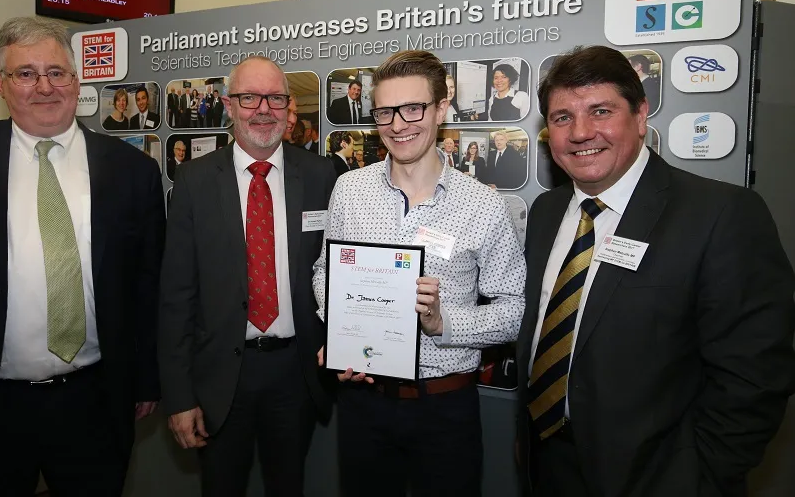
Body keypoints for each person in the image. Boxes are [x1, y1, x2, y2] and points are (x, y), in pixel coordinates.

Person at [0, 17, 165, 494]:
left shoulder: (133, 171)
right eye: (25, 73)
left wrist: (146, 381)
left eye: (56, 72)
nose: (44, 86)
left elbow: (147, 286)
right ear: (3, 84)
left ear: (77, 82)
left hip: (93, 403)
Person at [517, 45, 795, 497]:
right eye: (562, 117)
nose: (581, 132)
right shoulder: (548, 212)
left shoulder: (720, 215)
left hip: (660, 477)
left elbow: (757, 377)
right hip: (548, 465)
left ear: (641, 114)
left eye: (600, 110)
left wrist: (699, 477)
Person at [313, 50, 525, 497]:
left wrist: (442, 322)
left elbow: (513, 309)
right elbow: (324, 271)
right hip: (363, 403)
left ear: (441, 108)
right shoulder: (350, 190)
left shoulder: (482, 205)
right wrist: (343, 334)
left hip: (444, 407)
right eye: (385, 111)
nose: (398, 124)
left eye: (413, 108)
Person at [158, 55, 337, 497]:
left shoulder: (321, 176)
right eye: (250, 97)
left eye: (275, 98)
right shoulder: (194, 181)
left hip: (296, 374)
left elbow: (338, 269)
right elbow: (176, 296)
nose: (263, 109)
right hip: (220, 378)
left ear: (288, 107)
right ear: (228, 104)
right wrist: (179, 397)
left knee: (288, 487)